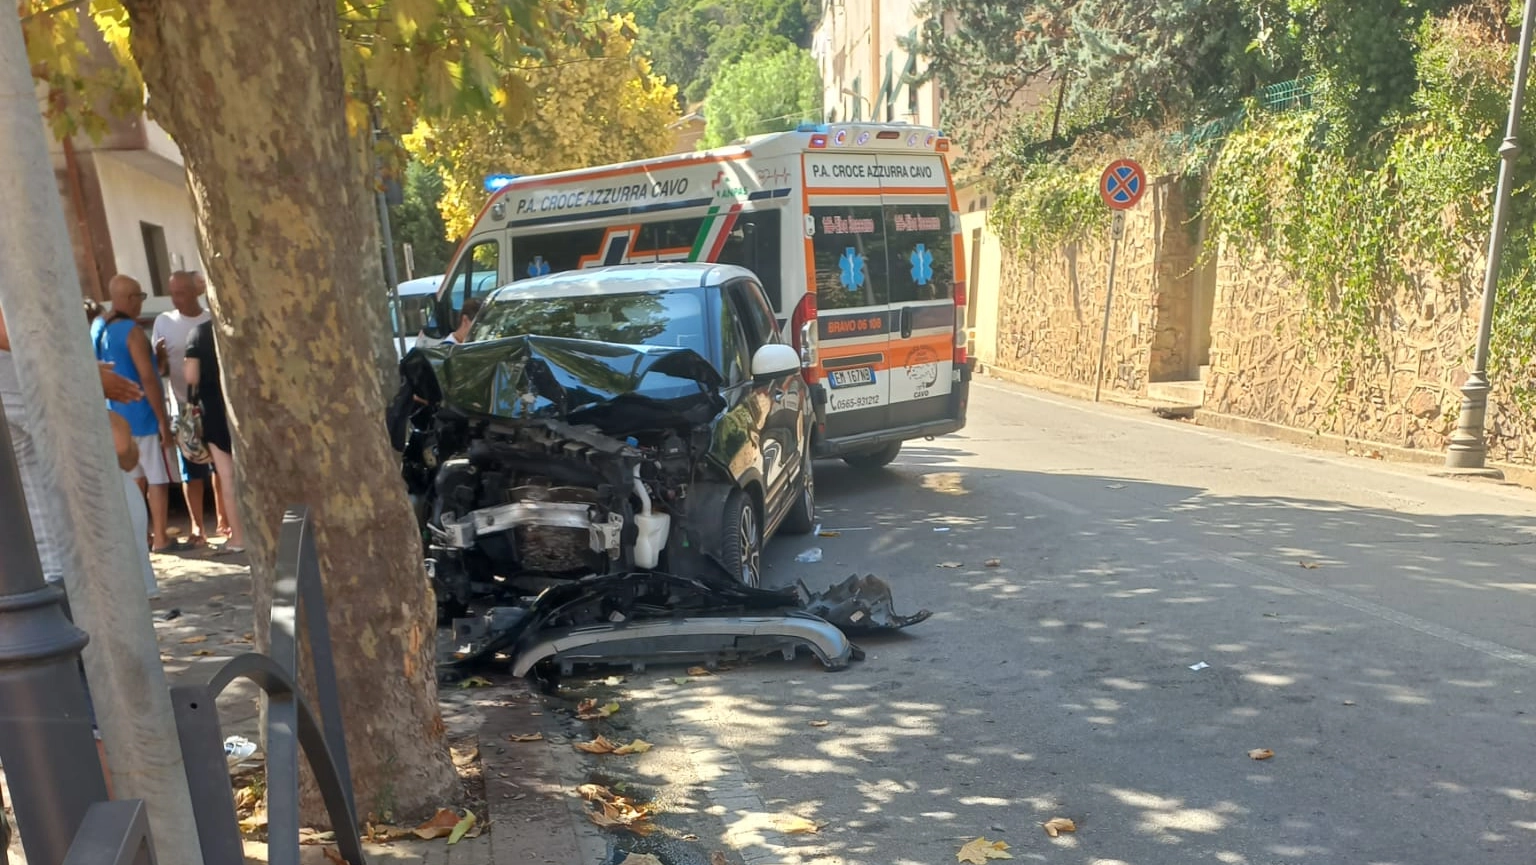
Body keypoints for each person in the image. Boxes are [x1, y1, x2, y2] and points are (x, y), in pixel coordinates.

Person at [2, 304, 143, 584]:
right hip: (62, 568)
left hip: (46, 568)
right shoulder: (15, 377)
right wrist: (84, 378)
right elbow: (119, 445)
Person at [91, 274, 179, 552]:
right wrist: (163, 421)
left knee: (133, 481)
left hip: (115, 418)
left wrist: (159, 360)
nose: (141, 303)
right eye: (140, 297)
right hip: (143, 415)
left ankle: (139, 539)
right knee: (158, 480)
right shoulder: (132, 332)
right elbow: (148, 378)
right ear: (129, 299)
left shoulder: (98, 327)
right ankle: (161, 537)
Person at [153, 271, 214, 546]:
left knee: (219, 463)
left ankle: (224, 520)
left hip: (213, 401)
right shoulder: (163, 322)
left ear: (195, 292)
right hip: (182, 404)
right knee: (190, 467)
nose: (175, 299)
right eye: (172, 292)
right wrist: (161, 358)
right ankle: (197, 527)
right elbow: (160, 370)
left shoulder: (210, 319)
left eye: (181, 292)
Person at [185, 318, 245, 553]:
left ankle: (238, 538)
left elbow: (191, 377)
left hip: (214, 411)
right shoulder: (241, 325)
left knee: (227, 476)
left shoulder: (198, 333)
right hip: (246, 407)